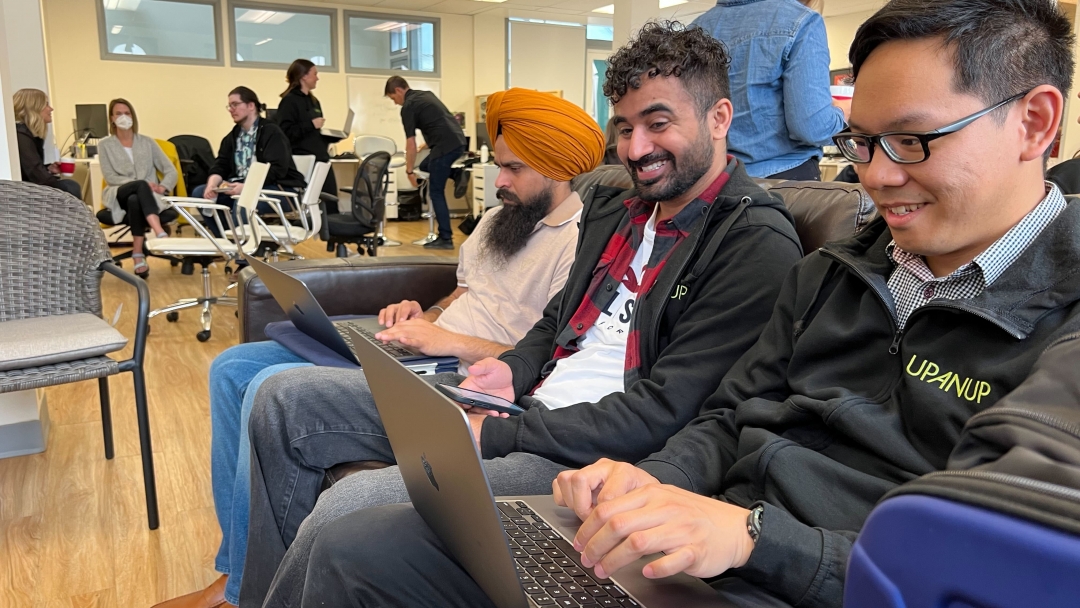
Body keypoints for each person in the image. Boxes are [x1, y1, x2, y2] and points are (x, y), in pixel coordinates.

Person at [294, 2, 1080, 607]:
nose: (873, 177)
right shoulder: (837, 274)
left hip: (791, 573)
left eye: (909, 141)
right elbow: (727, 415)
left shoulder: (1061, 324)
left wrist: (748, 537)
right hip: (702, 547)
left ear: (1034, 123)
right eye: (860, 144)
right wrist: (648, 484)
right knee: (358, 547)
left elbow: (975, 567)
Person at [244, 23, 805, 608]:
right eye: (625, 128)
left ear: (719, 118)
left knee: (345, 510)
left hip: (585, 456)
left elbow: (666, 411)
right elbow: (558, 320)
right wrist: (512, 369)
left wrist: (500, 430)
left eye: (659, 124)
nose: (636, 149)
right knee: (283, 399)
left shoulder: (753, 243)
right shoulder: (621, 209)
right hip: (521, 405)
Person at [151, 89, 606, 608]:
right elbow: (465, 289)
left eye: (513, 169)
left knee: (262, 388)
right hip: (417, 346)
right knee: (231, 368)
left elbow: (542, 357)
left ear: (556, 167)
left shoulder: (579, 245)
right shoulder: (500, 219)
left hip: (457, 372)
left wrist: (446, 340)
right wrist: (423, 312)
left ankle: (238, 591)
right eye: (499, 166)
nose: (498, 180)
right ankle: (237, 570)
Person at [693, 0, 848, 180]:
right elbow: (813, 127)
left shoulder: (693, 31)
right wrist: (845, 112)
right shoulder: (801, 21)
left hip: (715, 181)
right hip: (785, 180)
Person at [192, 87, 305, 238]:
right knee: (200, 193)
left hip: (279, 190)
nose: (231, 110)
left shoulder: (271, 132)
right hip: (242, 187)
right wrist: (212, 184)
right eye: (230, 106)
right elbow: (220, 165)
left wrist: (247, 187)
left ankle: (244, 255)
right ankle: (230, 241)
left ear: (251, 106)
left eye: (235, 104)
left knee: (243, 202)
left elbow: (277, 170)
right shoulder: (233, 136)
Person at [96, 98, 179, 279]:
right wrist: (140, 183)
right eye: (118, 113)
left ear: (133, 116)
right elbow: (111, 177)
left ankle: (137, 253)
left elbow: (170, 170)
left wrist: (163, 187)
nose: (123, 117)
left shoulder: (147, 143)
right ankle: (159, 231)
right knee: (139, 186)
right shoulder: (104, 145)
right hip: (118, 194)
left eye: (127, 113)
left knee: (136, 199)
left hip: (145, 198)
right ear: (111, 118)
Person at [385, 76, 468, 249]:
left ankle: (446, 238)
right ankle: (457, 173)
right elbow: (439, 122)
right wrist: (428, 144)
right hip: (458, 142)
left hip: (445, 146)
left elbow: (410, 143)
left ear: (399, 91)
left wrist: (409, 171)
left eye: (393, 98)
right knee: (424, 166)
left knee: (436, 192)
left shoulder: (408, 106)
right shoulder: (426, 95)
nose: (395, 103)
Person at [275, 59, 338, 214]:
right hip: (305, 159)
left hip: (320, 157)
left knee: (330, 198)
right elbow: (285, 133)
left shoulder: (313, 101)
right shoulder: (289, 102)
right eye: (314, 74)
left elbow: (313, 133)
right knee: (315, 202)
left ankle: (332, 231)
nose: (317, 78)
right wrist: (311, 125)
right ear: (303, 76)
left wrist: (331, 137)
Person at [12, 88, 82, 199]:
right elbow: (36, 175)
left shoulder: (26, 135)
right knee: (70, 186)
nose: (51, 109)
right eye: (46, 104)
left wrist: (48, 169)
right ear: (34, 108)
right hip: (25, 195)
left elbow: (31, 169)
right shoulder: (21, 137)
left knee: (69, 186)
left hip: (28, 191)